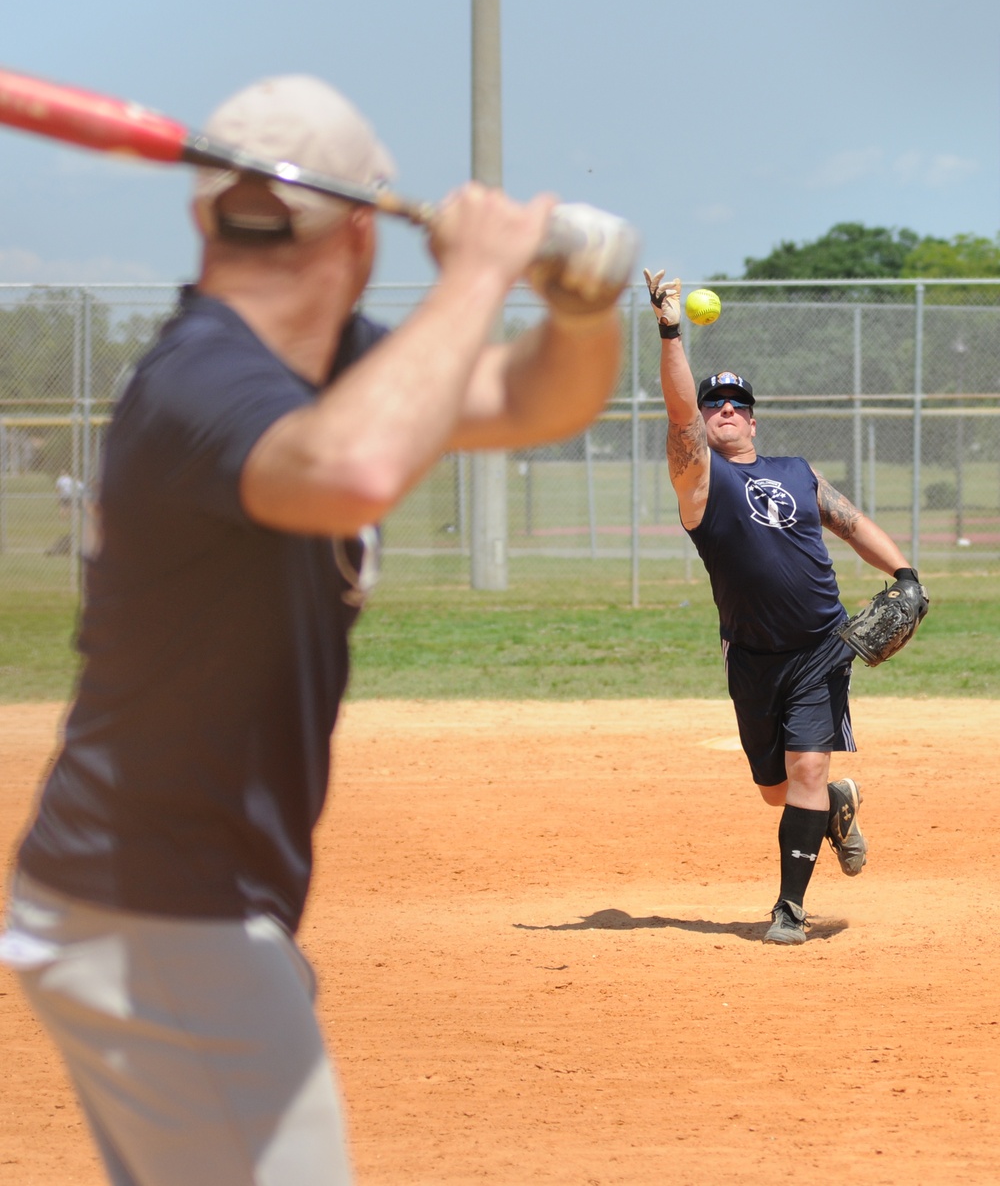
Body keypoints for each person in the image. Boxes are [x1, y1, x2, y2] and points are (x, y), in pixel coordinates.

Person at [0, 74, 629, 1186]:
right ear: (358, 229)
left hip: (163, 904)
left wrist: (578, 308)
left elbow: (538, 401)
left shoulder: (327, 366)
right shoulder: (203, 381)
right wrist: (480, 273)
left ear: (206, 213)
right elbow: (354, 466)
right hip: (157, 910)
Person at [643, 269, 926, 946]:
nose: (726, 412)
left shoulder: (799, 473)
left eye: (738, 403)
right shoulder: (699, 481)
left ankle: (789, 909)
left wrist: (906, 573)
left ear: (755, 416)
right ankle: (836, 807)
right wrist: (670, 330)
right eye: (717, 405)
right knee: (778, 789)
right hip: (752, 656)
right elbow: (679, 416)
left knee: (806, 768)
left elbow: (853, 524)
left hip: (822, 645)